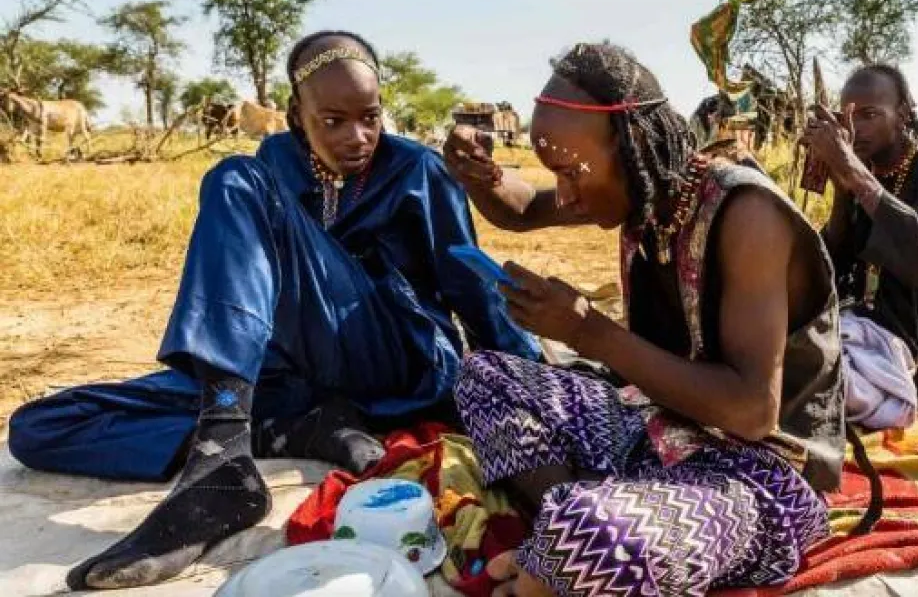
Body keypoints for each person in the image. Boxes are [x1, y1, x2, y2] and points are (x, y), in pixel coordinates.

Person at [7, 31, 539, 590]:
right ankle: (279, 431)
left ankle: (220, 464)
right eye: (333, 120)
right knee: (41, 427)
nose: (357, 137)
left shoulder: (416, 170)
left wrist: (530, 373)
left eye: (370, 117)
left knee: (231, 177)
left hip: (391, 359)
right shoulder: (275, 163)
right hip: (292, 373)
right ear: (295, 114)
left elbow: (469, 284)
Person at [444, 42, 842, 596]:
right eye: (555, 174)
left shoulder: (748, 215)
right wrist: (479, 176)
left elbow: (753, 413)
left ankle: (582, 532)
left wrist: (587, 332)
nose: (565, 194)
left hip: (755, 477)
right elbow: (517, 208)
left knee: (593, 535)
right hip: (655, 429)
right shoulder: (640, 191)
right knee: (483, 375)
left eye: (572, 172)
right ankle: (586, 525)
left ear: (632, 148)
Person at [807, 65, 918, 428]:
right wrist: (843, 189)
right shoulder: (866, 173)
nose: (857, 129)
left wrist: (854, 172)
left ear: (902, 115)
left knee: (815, 373)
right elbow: (832, 266)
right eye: (849, 118)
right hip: (864, 320)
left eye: (870, 115)